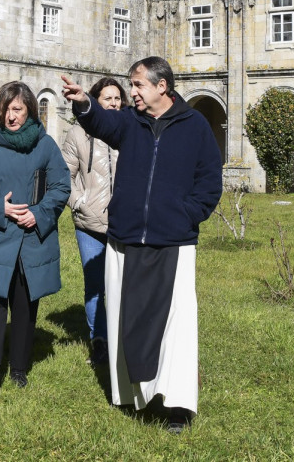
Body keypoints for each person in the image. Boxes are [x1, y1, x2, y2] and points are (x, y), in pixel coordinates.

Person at [61, 57, 221, 433]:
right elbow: (100, 121)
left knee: (175, 326)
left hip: (174, 242)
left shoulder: (195, 127)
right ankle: (136, 396)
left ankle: (178, 406)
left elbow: (210, 182)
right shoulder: (129, 123)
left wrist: (186, 214)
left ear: (161, 86)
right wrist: (83, 102)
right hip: (126, 238)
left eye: (137, 85)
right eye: (131, 86)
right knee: (127, 320)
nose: (131, 93)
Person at [0, 81, 70, 398]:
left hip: (31, 239)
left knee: (25, 303)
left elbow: (61, 186)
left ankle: (19, 368)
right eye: (6, 109)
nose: (11, 116)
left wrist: (40, 213)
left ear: (30, 110)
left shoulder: (45, 146)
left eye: (17, 109)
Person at [60, 77, 127, 368]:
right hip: (89, 222)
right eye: (107, 98)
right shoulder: (78, 134)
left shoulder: (129, 129)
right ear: (95, 101)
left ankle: (124, 337)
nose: (113, 103)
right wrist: (78, 202)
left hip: (124, 221)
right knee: (95, 284)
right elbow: (64, 174)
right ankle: (99, 341)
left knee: (124, 283)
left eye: (117, 98)